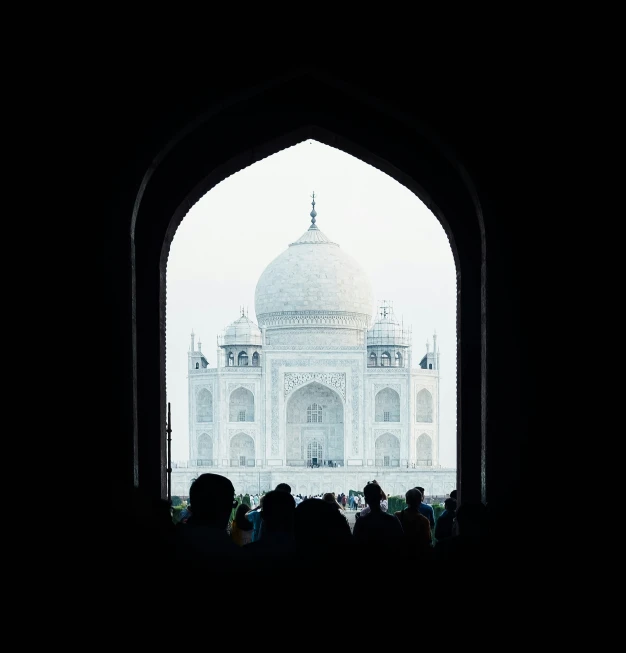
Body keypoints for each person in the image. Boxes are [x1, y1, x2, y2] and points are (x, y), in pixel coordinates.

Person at [353, 481, 404, 558]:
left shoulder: (361, 522)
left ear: (366, 500)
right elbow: (401, 542)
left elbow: (355, 545)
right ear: (380, 497)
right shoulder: (392, 520)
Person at [395, 488, 432, 558]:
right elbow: (427, 541)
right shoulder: (424, 520)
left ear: (406, 500)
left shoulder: (397, 516)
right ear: (420, 500)